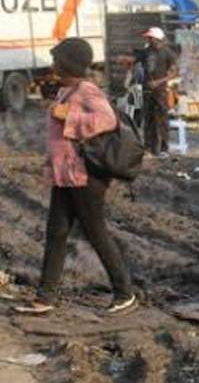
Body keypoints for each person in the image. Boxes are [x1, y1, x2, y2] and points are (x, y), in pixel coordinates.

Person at [15, 38, 136, 315]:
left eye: (57, 59)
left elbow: (107, 120)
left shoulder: (86, 90)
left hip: (84, 177)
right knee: (56, 233)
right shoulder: (66, 90)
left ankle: (125, 293)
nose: (53, 64)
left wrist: (67, 115)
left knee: (96, 233)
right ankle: (46, 296)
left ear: (68, 63)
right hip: (66, 175)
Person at [141, 27, 178, 157]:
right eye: (148, 38)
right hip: (147, 90)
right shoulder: (146, 52)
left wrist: (159, 82)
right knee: (148, 119)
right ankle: (148, 147)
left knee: (162, 119)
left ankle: (164, 148)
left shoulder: (168, 53)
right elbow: (136, 63)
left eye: (150, 38)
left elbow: (174, 73)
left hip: (160, 91)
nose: (148, 40)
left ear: (156, 39)